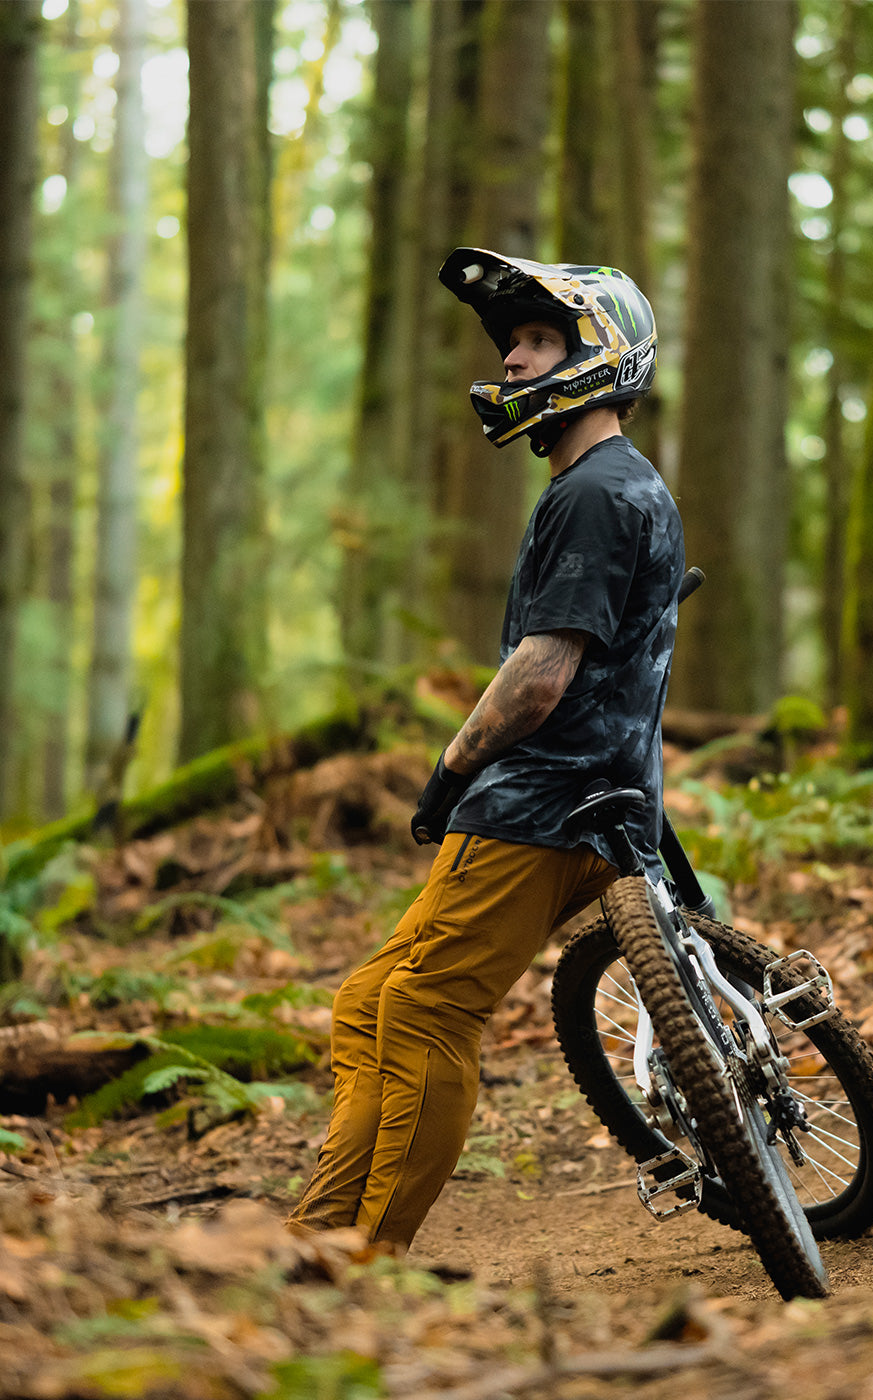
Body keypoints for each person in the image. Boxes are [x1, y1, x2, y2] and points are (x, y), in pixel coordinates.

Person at [286, 248, 684, 1250]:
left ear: (600, 357)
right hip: (579, 805)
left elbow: (541, 671)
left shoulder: (592, 493)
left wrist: (451, 766)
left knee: (422, 1006)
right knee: (370, 996)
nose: (512, 358)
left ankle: (361, 1257)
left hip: (540, 805)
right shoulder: (612, 486)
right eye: (512, 340)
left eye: (540, 338)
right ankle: (314, 1234)